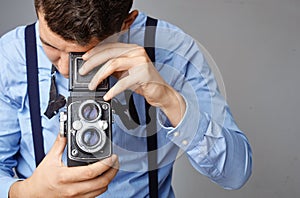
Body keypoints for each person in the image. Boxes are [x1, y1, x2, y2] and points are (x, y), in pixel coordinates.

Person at [0, 0, 252, 197]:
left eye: (84, 53)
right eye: (51, 47)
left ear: (127, 23)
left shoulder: (172, 50)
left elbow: (234, 174)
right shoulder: (13, 55)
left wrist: (168, 99)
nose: (66, 69)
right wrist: (24, 193)